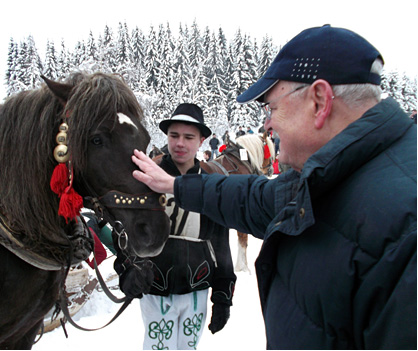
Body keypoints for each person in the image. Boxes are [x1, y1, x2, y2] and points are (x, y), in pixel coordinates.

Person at [130, 25, 417, 349]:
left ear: (319, 102)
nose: (267, 124)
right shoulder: (329, 178)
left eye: (272, 108)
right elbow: (253, 198)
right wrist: (174, 185)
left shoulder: (406, 232)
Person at [122, 103, 236, 350]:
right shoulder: (146, 179)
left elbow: (221, 245)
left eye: (188, 137)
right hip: (155, 286)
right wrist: (126, 270)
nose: (180, 143)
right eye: (174, 136)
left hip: (197, 287)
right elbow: (127, 232)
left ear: (202, 141)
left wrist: (223, 297)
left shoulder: (211, 186)